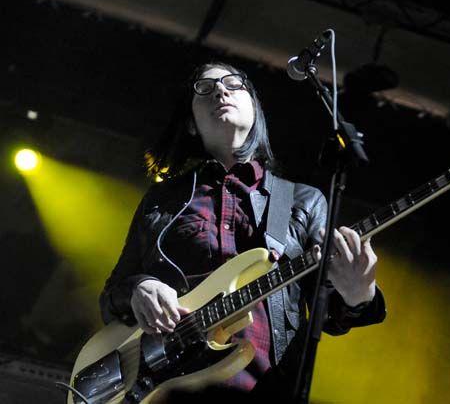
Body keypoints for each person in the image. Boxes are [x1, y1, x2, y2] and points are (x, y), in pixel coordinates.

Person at [99, 61, 386, 401]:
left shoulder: (302, 201)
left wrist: (357, 295)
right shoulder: (164, 199)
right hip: (167, 387)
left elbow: (329, 312)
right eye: (205, 89)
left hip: (265, 388)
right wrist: (139, 287)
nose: (221, 91)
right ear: (191, 124)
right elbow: (112, 295)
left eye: (234, 84)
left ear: (254, 108)